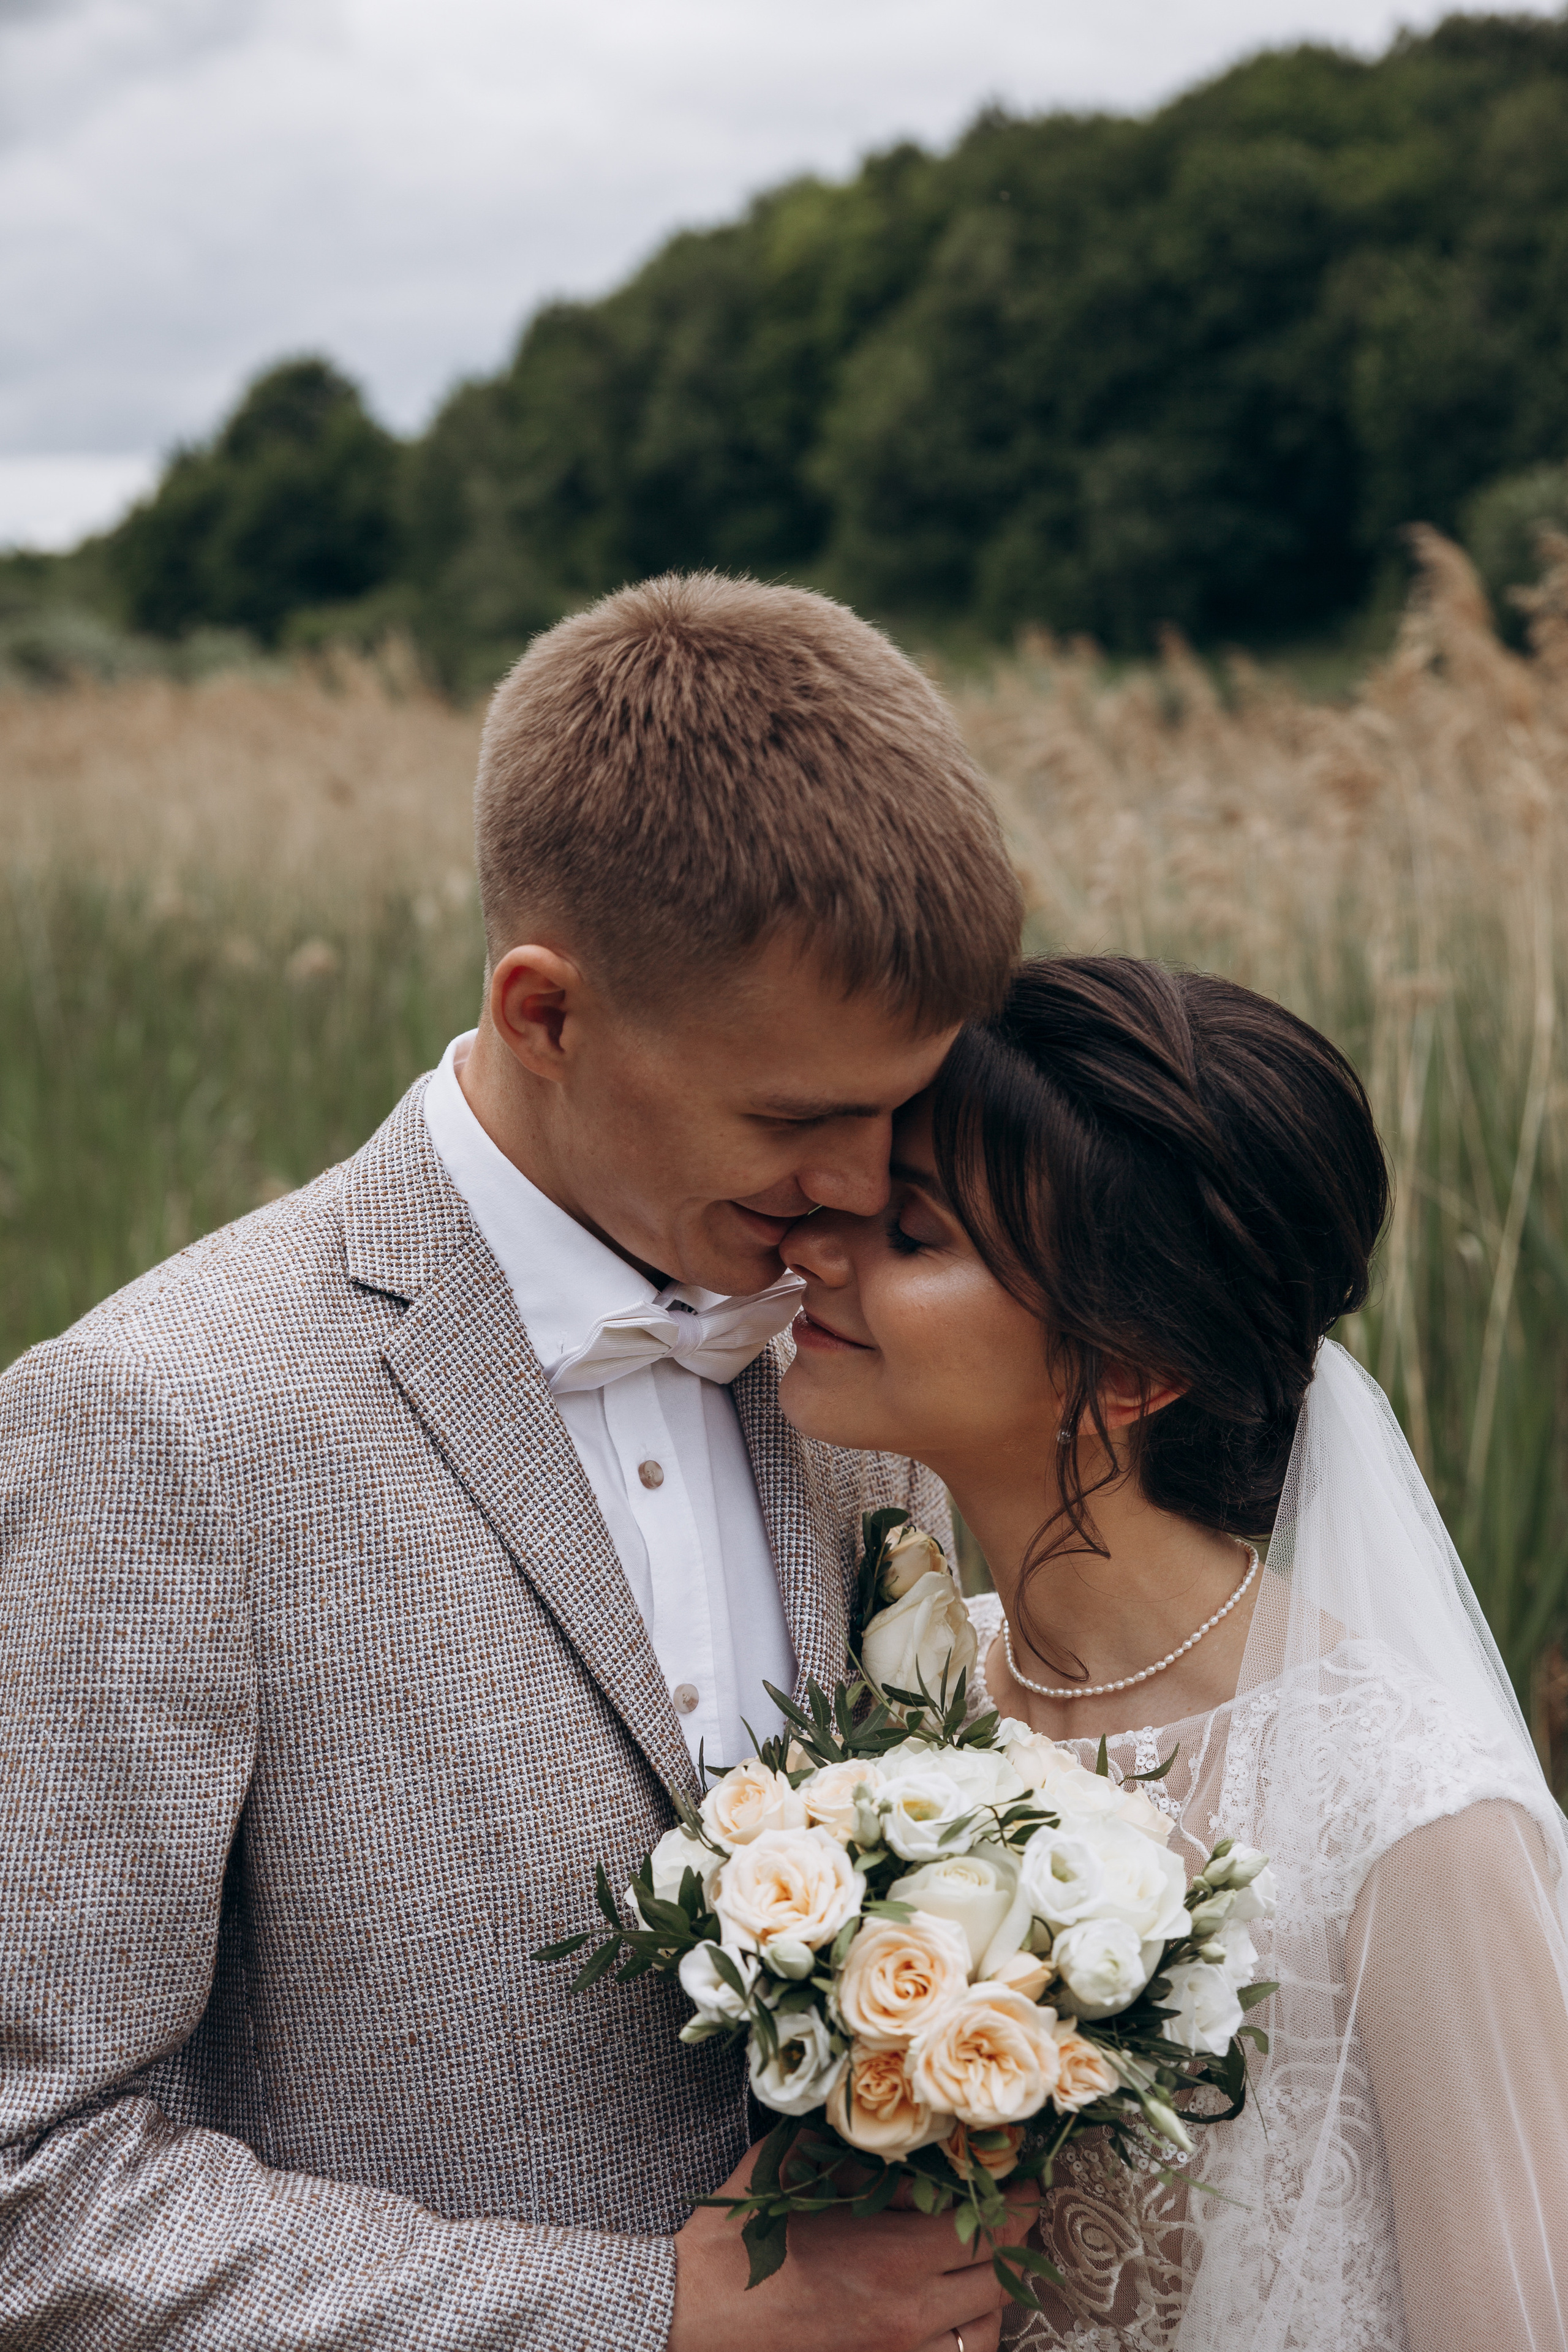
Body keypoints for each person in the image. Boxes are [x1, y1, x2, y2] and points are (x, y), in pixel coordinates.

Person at [0, 573, 1031, 2351]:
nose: (868, 1195)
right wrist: (643, 2321)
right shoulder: (155, 1424)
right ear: (545, 1012)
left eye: (901, 1112)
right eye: (798, 1121)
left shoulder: (863, 1370)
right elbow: (36, 2193)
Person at [780, 954, 1568, 2352]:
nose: (814, 1251)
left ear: (1130, 1372)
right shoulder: (910, 1698)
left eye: (908, 1235)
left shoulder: (1410, 1815)